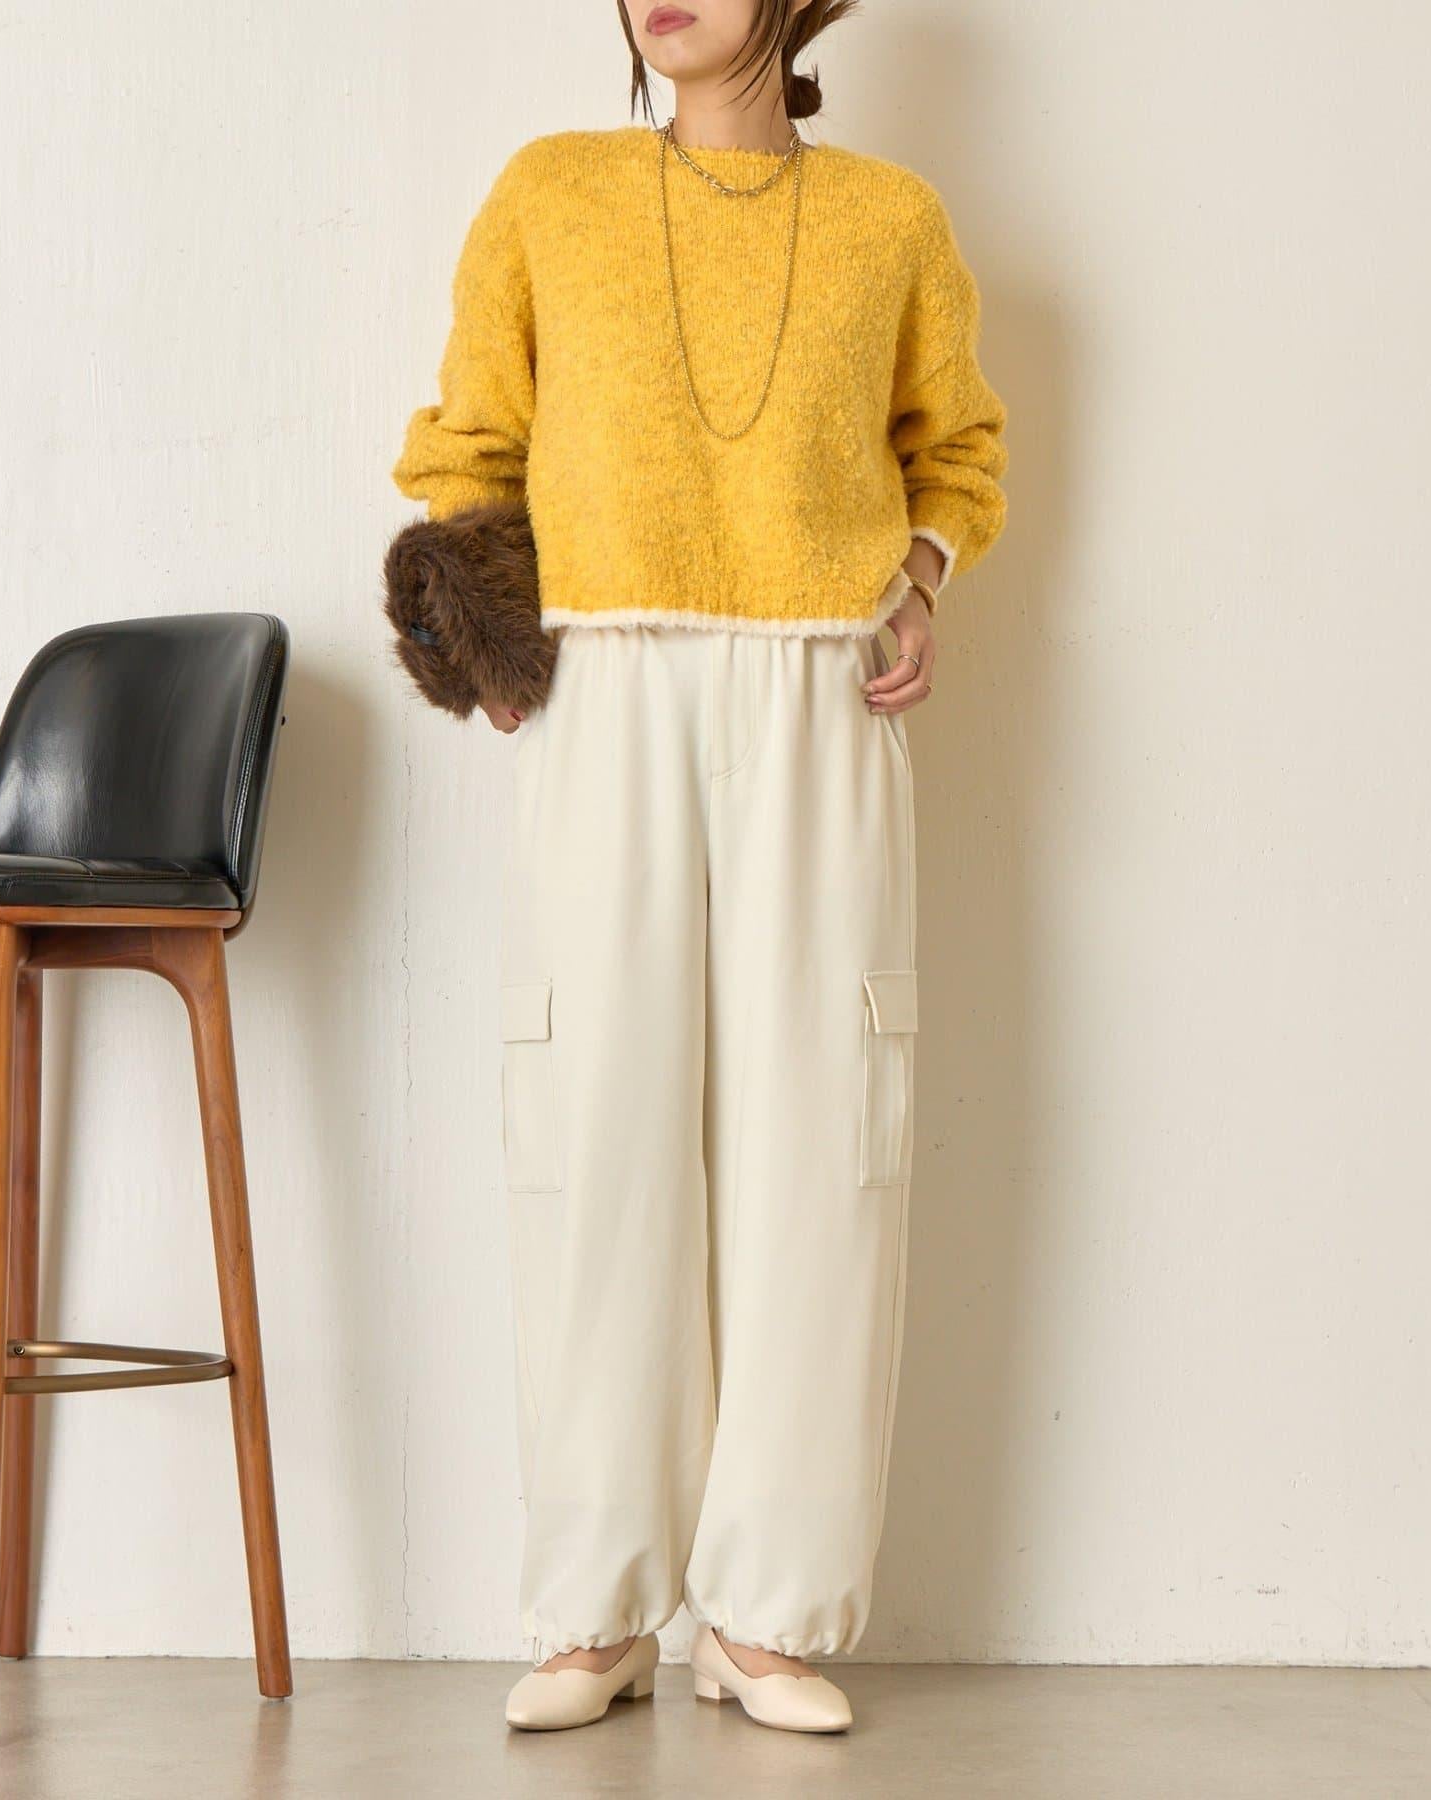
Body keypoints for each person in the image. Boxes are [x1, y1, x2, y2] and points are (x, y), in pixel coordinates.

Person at [385, 0, 1007, 1735]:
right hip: (604, 684)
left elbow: (957, 447)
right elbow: (466, 446)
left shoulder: (890, 219)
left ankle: (768, 1615)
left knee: (824, 1134)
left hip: (820, 686)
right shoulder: (551, 192)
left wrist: (923, 583)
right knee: (598, 1127)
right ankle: (596, 1609)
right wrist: (482, 647)